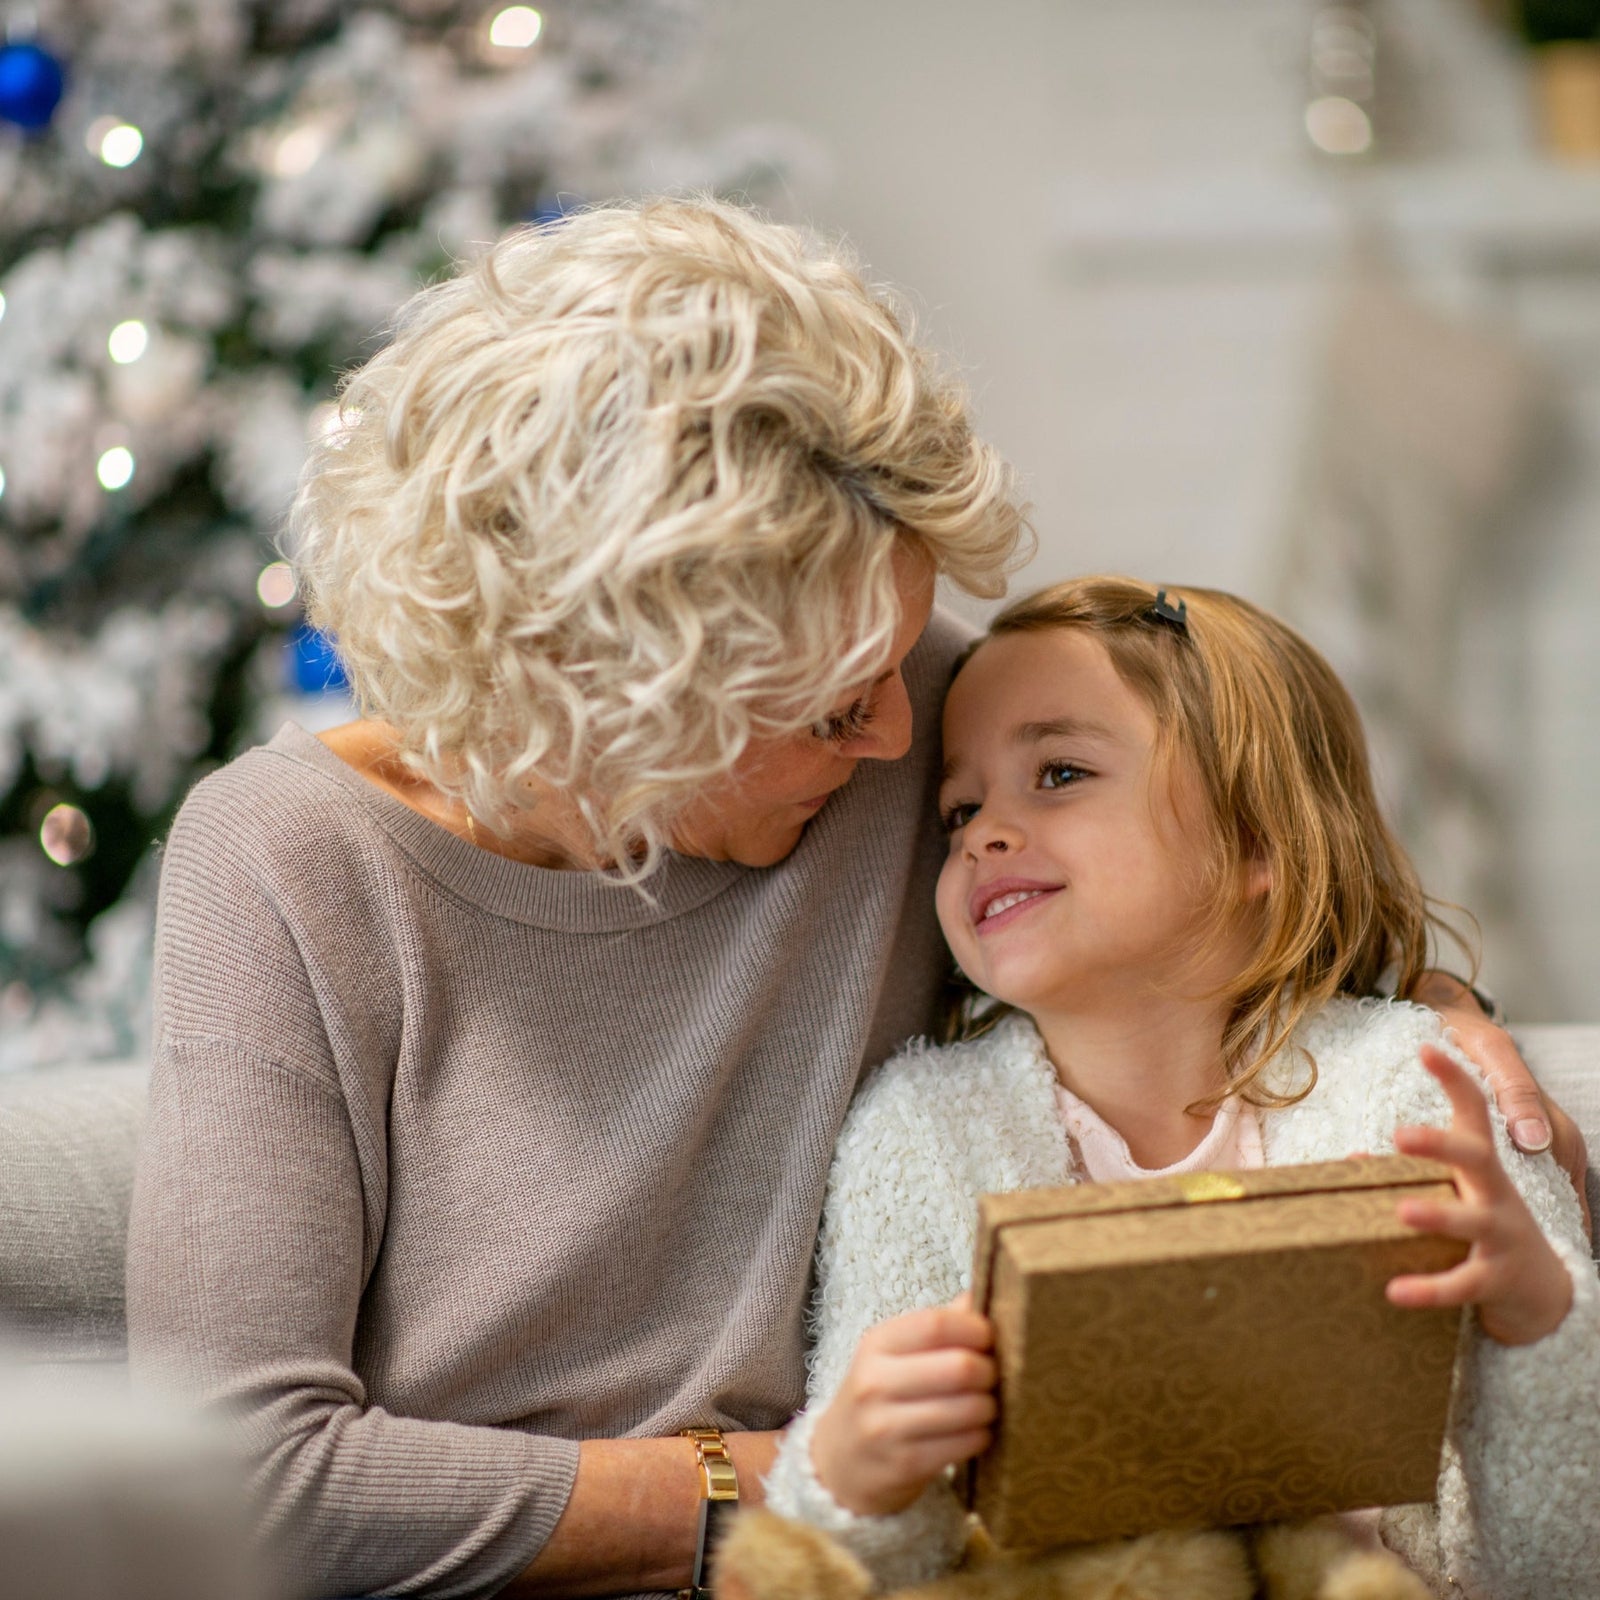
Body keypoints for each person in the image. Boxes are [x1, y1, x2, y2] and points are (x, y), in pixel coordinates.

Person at [125, 197, 1576, 1600]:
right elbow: (239, 1482)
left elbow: (1219, 842)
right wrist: (792, 1481)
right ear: (600, 701)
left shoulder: (923, 724)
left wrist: (1429, 1027)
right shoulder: (288, 863)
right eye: (826, 707)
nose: (898, 737)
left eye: (898, 653)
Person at [762, 577, 1597, 1598]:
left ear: (1255, 842)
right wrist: (849, 1478)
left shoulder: (1425, 1094)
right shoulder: (922, 1135)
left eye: (1059, 772)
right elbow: (883, 1561)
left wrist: (1536, 1321)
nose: (983, 833)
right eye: (959, 808)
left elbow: (1561, 1555)